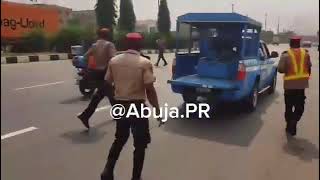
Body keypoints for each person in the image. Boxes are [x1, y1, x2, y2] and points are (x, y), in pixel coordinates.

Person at [101, 32, 161, 180]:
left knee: (119, 139)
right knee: (140, 144)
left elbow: (107, 83)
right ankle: (135, 177)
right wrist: (158, 111)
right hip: (137, 108)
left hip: (121, 105)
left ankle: (107, 171)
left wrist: (115, 101)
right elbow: (149, 89)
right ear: (140, 45)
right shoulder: (144, 63)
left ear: (125, 45)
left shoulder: (114, 61)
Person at [77, 28, 116, 129]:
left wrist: (92, 65)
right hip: (106, 73)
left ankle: (85, 115)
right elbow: (113, 59)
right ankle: (85, 115)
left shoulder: (94, 45)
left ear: (98, 35)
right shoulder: (109, 45)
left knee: (102, 94)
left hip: (96, 73)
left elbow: (85, 57)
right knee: (109, 94)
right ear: (108, 35)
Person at [277, 36, 312, 136]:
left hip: (289, 85)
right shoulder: (306, 54)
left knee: (289, 106)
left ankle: (289, 125)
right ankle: (294, 122)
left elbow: (280, 69)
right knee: (299, 106)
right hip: (301, 86)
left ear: (290, 44)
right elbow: (309, 67)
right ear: (299, 43)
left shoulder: (285, 55)